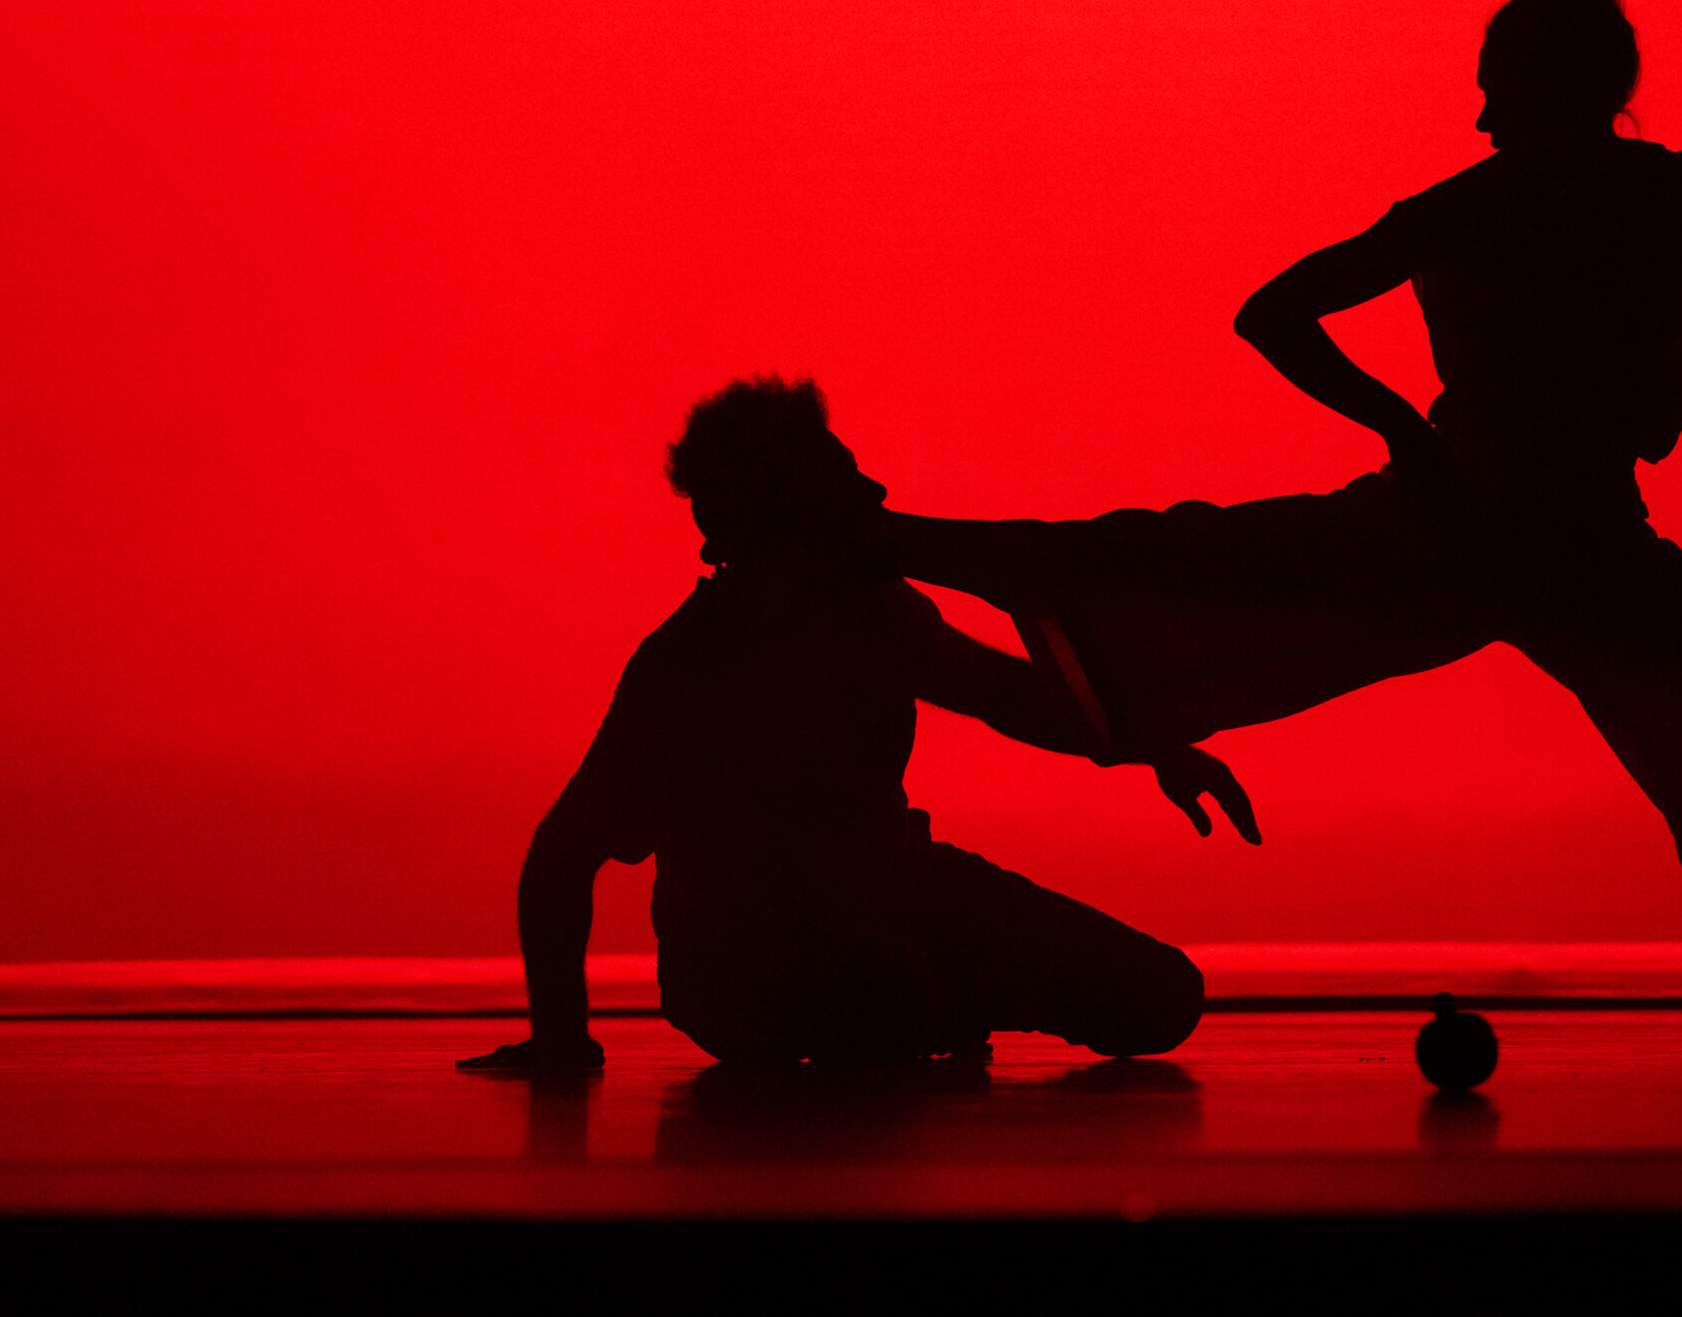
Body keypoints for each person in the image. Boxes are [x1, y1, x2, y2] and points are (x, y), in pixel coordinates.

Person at [893, 0, 1682, 1061]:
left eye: (1494, 93)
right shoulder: (1633, 199)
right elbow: (1273, 313)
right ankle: (880, 541)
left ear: (1554, 92)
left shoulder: (1583, 204)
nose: (1475, 118)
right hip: (1493, 536)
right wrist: (1408, 434)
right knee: (1202, 562)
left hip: (1553, 542)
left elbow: (1275, 314)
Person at [460, 376, 1257, 1074]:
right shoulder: (686, 665)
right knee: (880, 987)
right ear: (796, 511)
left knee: (1164, 996)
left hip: (902, 890)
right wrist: (561, 1038)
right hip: (743, 965)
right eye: (848, 480)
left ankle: (944, 998)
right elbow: (561, 854)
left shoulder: (876, 614)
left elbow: (1002, 692)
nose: (876, 490)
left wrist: (1156, 745)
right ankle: (936, 1001)